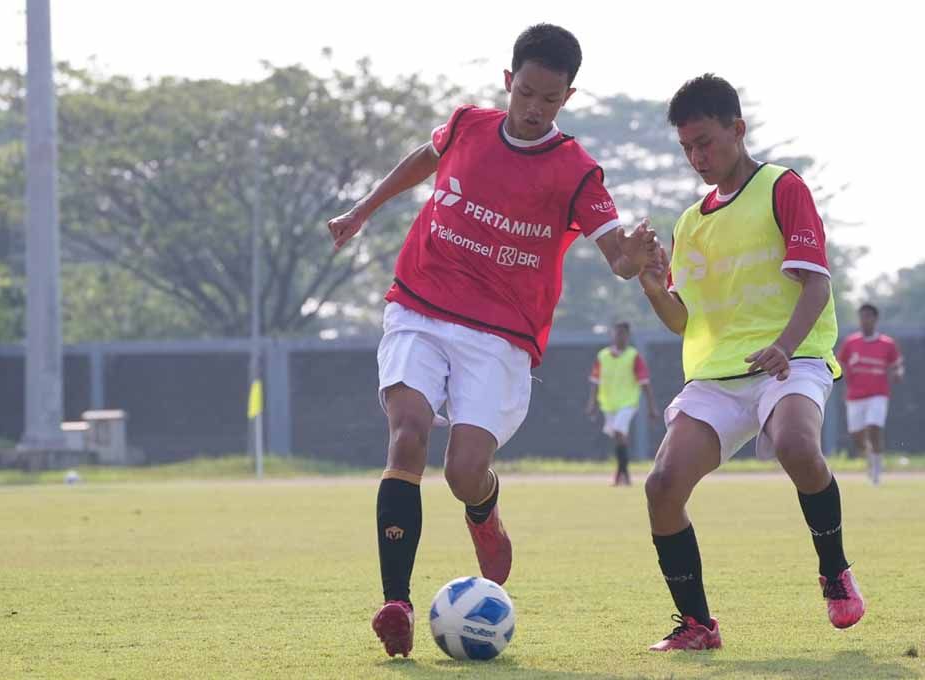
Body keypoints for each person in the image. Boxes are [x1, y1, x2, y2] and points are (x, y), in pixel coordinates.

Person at [325, 23, 658, 658]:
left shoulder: (578, 171)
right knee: (408, 434)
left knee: (463, 471)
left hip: (500, 336)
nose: (535, 110)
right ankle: (396, 601)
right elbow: (428, 156)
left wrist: (637, 256)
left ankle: (484, 509)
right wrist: (365, 208)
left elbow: (615, 253)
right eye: (526, 93)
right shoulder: (468, 124)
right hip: (419, 304)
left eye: (550, 100)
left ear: (568, 98)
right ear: (509, 82)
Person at [636, 73, 865, 652]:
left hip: (793, 360)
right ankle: (697, 625)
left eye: (706, 142)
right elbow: (684, 319)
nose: (696, 157)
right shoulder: (689, 222)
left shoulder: (782, 188)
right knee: (662, 486)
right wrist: (649, 281)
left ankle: (834, 568)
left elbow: (815, 287)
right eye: (686, 146)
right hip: (719, 377)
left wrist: (784, 346)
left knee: (795, 446)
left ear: (737, 130)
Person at [836, 303, 904, 485]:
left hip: (878, 394)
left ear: (875, 319)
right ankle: (869, 459)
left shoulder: (887, 344)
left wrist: (898, 373)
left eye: (868, 316)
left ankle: (876, 473)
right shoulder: (851, 343)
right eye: (861, 316)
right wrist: (843, 375)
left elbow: (897, 364)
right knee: (857, 436)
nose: (864, 320)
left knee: (874, 428)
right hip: (854, 396)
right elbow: (840, 363)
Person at [586, 321, 659, 486]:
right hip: (609, 405)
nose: (620, 336)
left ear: (628, 336)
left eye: (624, 334)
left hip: (628, 403)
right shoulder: (602, 356)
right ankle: (621, 474)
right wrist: (592, 403)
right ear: (612, 335)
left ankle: (623, 475)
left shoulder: (634, 356)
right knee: (619, 437)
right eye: (617, 333)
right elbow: (595, 381)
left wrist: (652, 407)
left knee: (619, 432)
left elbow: (645, 382)